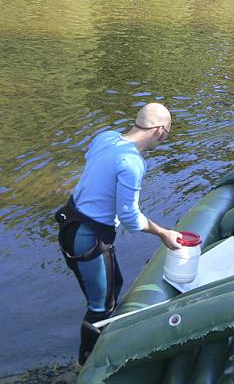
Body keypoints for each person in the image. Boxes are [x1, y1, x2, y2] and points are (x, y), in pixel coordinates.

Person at [56, 103, 182, 365]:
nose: (165, 137)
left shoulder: (106, 137)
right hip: (88, 238)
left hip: (70, 224)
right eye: (167, 133)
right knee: (100, 306)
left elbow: (95, 168)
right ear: (159, 131)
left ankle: (102, 349)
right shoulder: (132, 163)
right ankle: (86, 366)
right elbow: (130, 217)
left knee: (114, 287)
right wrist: (163, 233)